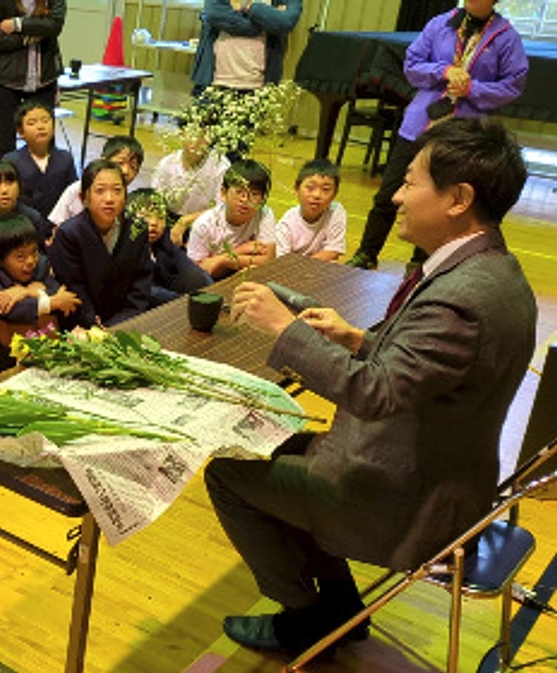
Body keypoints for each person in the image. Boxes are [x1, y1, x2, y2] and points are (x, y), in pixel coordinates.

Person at [210, 116, 536, 655]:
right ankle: (340, 610)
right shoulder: (493, 270)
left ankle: (305, 618)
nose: (396, 197)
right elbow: (426, 373)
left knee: (227, 474)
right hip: (437, 472)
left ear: (458, 199)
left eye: (409, 183)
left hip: (407, 499)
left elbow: (376, 394)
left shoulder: (461, 299)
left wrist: (284, 329)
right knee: (268, 449)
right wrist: (356, 338)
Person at [347, 0, 527, 270]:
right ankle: (367, 253)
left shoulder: (506, 37)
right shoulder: (440, 24)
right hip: (419, 126)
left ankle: (420, 265)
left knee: (439, 203)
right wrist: (443, 71)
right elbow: (412, 66)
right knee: (389, 194)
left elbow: (512, 87)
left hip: (460, 136)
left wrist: (473, 89)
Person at [48, 159, 154, 328]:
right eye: (100, 191)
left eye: (117, 190)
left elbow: (141, 282)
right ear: (84, 198)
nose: (109, 199)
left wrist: (125, 320)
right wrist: (93, 324)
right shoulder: (69, 234)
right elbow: (74, 288)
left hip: (127, 320)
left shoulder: (137, 228)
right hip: (81, 324)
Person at [0, 214, 79, 372]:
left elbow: (59, 293)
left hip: (47, 343)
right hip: (7, 355)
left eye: (34, 252)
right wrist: (48, 302)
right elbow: (5, 308)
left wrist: (27, 292)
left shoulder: (41, 264)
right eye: (20, 257)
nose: (30, 261)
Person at [0, 0, 66, 160]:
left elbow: (55, 25)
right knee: (5, 143)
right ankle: (3, 175)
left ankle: (44, 176)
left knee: (43, 143)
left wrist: (17, 24)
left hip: (44, 80)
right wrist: (26, 40)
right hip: (6, 80)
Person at [186, 158, 276, 279]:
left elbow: (268, 260)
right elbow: (197, 274)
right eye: (239, 192)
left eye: (254, 194)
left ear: (263, 199)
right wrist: (241, 251)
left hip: (243, 276)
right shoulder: (204, 224)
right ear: (224, 193)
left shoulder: (264, 214)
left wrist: (223, 260)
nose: (245, 200)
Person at [190, 0, 302, 95]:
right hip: (213, 81)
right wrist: (264, 23)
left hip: (259, 87)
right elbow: (215, 13)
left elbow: (286, 23)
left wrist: (250, 8)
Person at [126, 188, 212, 305]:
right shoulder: (126, 247)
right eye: (146, 216)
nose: (154, 222)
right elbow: (146, 289)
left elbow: (190, 269)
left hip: (172, 300)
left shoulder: (165, 240)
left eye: (160, 217)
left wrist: (209, 292)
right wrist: (184, 300)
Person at [151, 126, 230, 247]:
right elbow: (155, 200)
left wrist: (186, 221)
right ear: (182, 133)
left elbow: (222, 208)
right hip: (170, 220)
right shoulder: (167, 163)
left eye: (203, 135)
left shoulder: (220, 166)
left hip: (204, 222)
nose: (197, 140)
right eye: (193, 133)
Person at [3, 101, 77, 220]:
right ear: (20, 132)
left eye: (45, 121)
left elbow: (73, 196)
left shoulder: (65, 158)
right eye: (32, 123)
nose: (41, 127)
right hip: (23, 224)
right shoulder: (11, 160)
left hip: (59, 224)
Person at [49, 135, 144, 226]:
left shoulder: (131, 201)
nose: (125, 171)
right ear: (103, 161)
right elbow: (56, 227)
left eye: (133, 167)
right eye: (120, 163)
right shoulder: (75, 190)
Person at [0, 160, 52, 256]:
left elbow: (41, 256)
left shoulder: (33, 218)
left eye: (10, 183)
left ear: (19, 187)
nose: (4, 190)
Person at [274, 159, 346, 261]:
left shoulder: (336, 211)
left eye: (325, 189)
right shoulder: (286, 225)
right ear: (296, 189)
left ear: (335, 194)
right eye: (310, 188)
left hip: (316, 267)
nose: (317, 195)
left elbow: (333, 251)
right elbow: (281, 261)